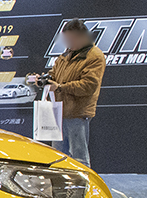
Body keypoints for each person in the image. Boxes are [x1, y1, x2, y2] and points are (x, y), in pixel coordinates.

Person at [38, 18, 106, 166]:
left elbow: (89, 86)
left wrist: (60, 87)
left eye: (70, 39)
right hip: (59, 112)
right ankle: (60, 179)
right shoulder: (67, 54)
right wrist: (44, 80)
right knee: (58, 155)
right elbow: (54, 74)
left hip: (77, 113)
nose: (67, 43)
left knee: (79, 157)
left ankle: (82, 180)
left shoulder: (94, 56)